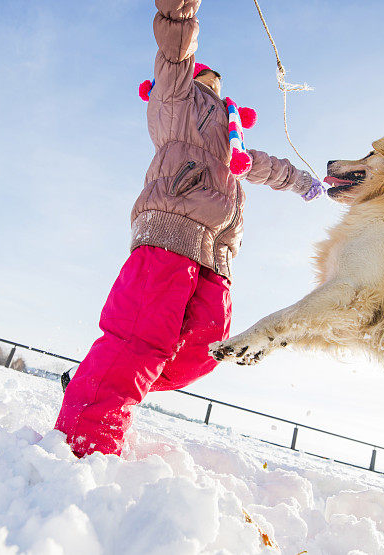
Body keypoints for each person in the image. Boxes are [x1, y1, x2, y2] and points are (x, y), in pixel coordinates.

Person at [54, 0, 325, 457]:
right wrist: (180, 13)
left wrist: (304, 183)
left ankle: (98, 378)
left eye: (218, 87)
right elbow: (176, 51)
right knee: (142, 338)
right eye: (206, 80)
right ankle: (85, 441)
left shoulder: (230, 140)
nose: (212, 88)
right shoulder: (176, 101)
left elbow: (267, 167)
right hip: (171, 230)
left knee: (203, 352)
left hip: (216, 252)